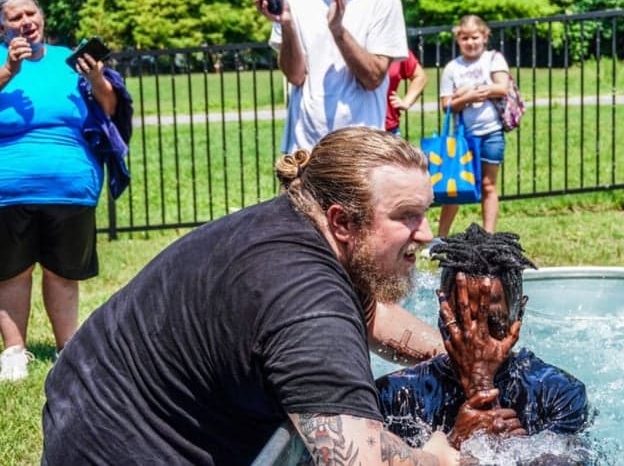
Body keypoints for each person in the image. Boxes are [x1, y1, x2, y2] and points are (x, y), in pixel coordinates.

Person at [42, 128, 497, 465]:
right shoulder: (306, 300)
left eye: (426, 213)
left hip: (84, 420)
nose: (425, 234)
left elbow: (371, 314)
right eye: (407, 217)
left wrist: (453, 354)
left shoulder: (298, 229)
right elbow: (355, 461)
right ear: (342, 221)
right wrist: (441, 457)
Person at [0, 0, 129, 382]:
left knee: (63, 272)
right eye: (15, 17)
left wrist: (97, 78)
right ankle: (14, 352)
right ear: (2, 26)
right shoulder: (2, 64)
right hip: (9, 189)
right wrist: (9, 72)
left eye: (31, 13)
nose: (27, 22)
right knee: (10, 272)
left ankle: (66, 350)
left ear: (42, 17)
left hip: (71, 188)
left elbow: (109, 111)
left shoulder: (67, 62)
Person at [377, 224, 590, 448]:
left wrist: (514, 450)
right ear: (443, 310)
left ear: (519, 313)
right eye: (463, 320)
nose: (476, 340)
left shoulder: (558, 394)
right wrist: (455, 442)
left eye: (493, 323)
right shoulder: (394, 395)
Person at [255, 0, 409, 153]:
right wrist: (287, 23)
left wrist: (338, 30)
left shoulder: (383, 0)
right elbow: (295, 76)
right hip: (305, 149)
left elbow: (373, 78)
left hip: (361, 153)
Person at [434, 15, 512, 244]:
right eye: (465, 38)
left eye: (475, 37)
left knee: (489, 185)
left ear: (485, 36)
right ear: (458, 39)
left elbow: (502, 88)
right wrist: (465, 97)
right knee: (454, 186)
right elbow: (446, 104)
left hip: (491, 132)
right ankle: (441, 237)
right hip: (463, 136)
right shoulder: (452, 68)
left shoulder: (493, 60)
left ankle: (488, 237)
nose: (471, 43)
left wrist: (478, 90)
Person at [386, 48, 428, 135]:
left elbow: (420, 77)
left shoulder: (395, 48)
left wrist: (406, 102)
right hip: (354, 128)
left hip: (388, 129)